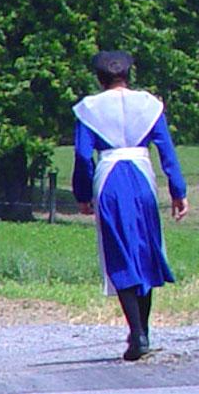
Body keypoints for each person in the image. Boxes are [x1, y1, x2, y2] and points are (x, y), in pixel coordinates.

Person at [72, 50, 189, 361]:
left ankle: (135, 330)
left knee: (120, 254)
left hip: (109, 178)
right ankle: (144, 331)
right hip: (141, 177)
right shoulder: (149, 105)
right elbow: (166, 149)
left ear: (100, 78)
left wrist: (83, 193)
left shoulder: (88, 109)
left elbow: (84, 156)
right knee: (144, 251)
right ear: (129, 75)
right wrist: (178, 190)